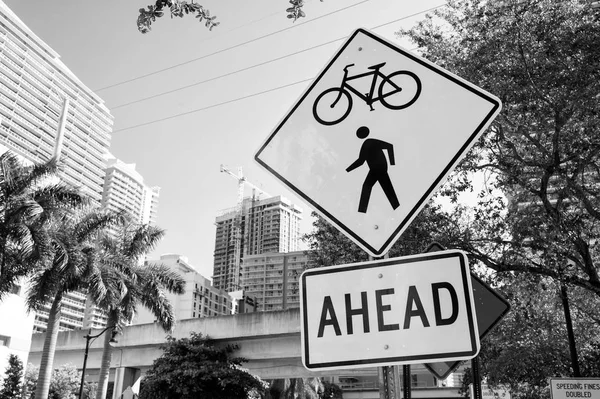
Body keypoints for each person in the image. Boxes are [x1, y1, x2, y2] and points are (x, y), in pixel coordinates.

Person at [346, 126, 400, 213]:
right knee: (384, 187)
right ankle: (396, 207)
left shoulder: (369, 142)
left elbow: (389, 146)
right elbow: (361, 161)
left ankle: (362, 211)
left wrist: (392, 163)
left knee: (370, 186)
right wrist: (347, 170)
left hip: (378, 168)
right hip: (377, 169)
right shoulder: (367, 143)